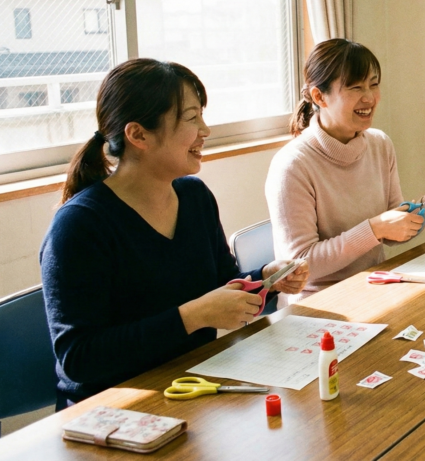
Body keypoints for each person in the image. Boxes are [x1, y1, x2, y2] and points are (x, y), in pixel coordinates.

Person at [40, 59, 309, 409]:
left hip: (192, 384)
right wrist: (192, 317)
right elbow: (79, 358)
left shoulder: (195, 197)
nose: (205, 130)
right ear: (138, 135)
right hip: (114, 409)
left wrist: (266, 280)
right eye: (191, 118)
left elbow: (222, 283)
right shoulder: (79, 226)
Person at [266, 39, 425, 298]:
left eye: (373, 84)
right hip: (319, 301)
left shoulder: (380, 144)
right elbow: (299, 264)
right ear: (319, 96)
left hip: (376, 284)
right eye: (355, 87)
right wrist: (374, 229)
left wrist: (424, 209)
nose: (370, 98)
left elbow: (392, 233)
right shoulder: (292, 165)